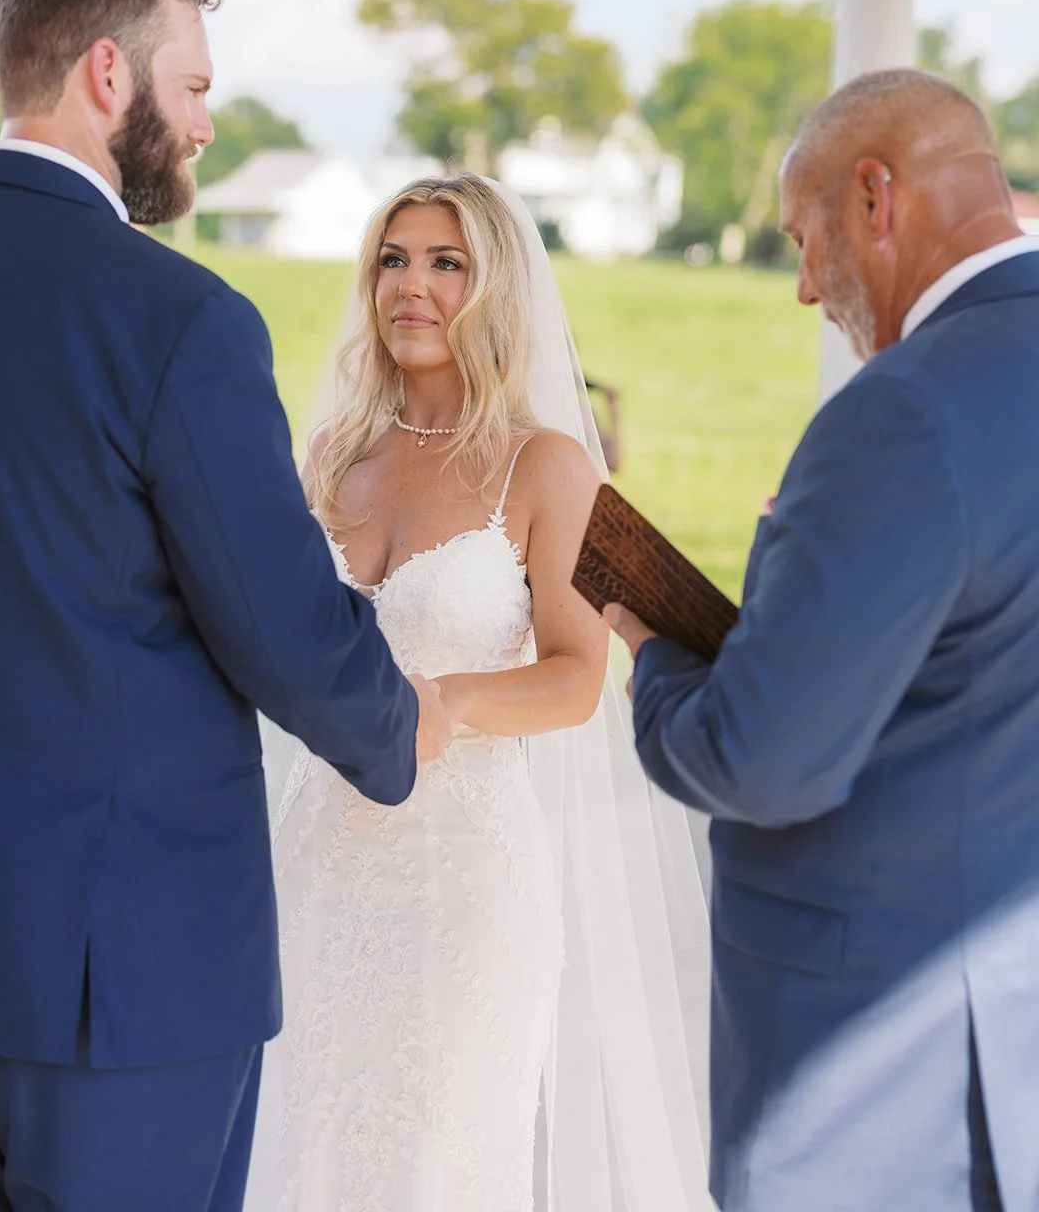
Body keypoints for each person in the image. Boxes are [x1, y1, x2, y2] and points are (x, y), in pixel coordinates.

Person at [0, 0, 448, 1212]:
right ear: (110, 76)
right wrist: (397, 727)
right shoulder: (180, 319)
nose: (208, 125)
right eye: (197, 87)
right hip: (116, 975)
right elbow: (280, 621)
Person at [610, 67, 1039, 1211]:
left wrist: (656, 649)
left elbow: (761, 758)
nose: (805, 288)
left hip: (886, 1080)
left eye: (806, 240)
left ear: (875, 198)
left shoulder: (902, 410)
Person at [250, 171, 713, 1212]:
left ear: (496, 285)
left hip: (460, 873)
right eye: (393, 259)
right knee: (310, 1142)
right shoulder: (331, 455)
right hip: (317, 859)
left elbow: (575, 675)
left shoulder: (547, 467)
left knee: (435, 1159)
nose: (410, 285)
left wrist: (447, 703)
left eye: (445, 262)